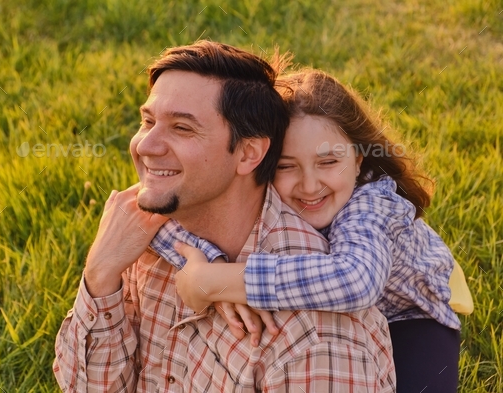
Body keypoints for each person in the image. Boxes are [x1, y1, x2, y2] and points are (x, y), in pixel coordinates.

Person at [53, 42, 396, 392]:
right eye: (148, 121)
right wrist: (100, 273)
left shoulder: (313, 337)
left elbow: (358, 277)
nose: (145, 146)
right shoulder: (144, 230)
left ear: (248, 153)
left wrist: (220, 281)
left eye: (182, 128)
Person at [163, 69, 461, 392]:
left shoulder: (371, 202)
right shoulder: (260, 186)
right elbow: (157, 211)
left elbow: (356, 280)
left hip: (406, 314)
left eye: (328, 162)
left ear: (358, 159)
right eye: (286, 166)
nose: (309, 185)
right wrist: (210, 262)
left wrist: (220, 282)